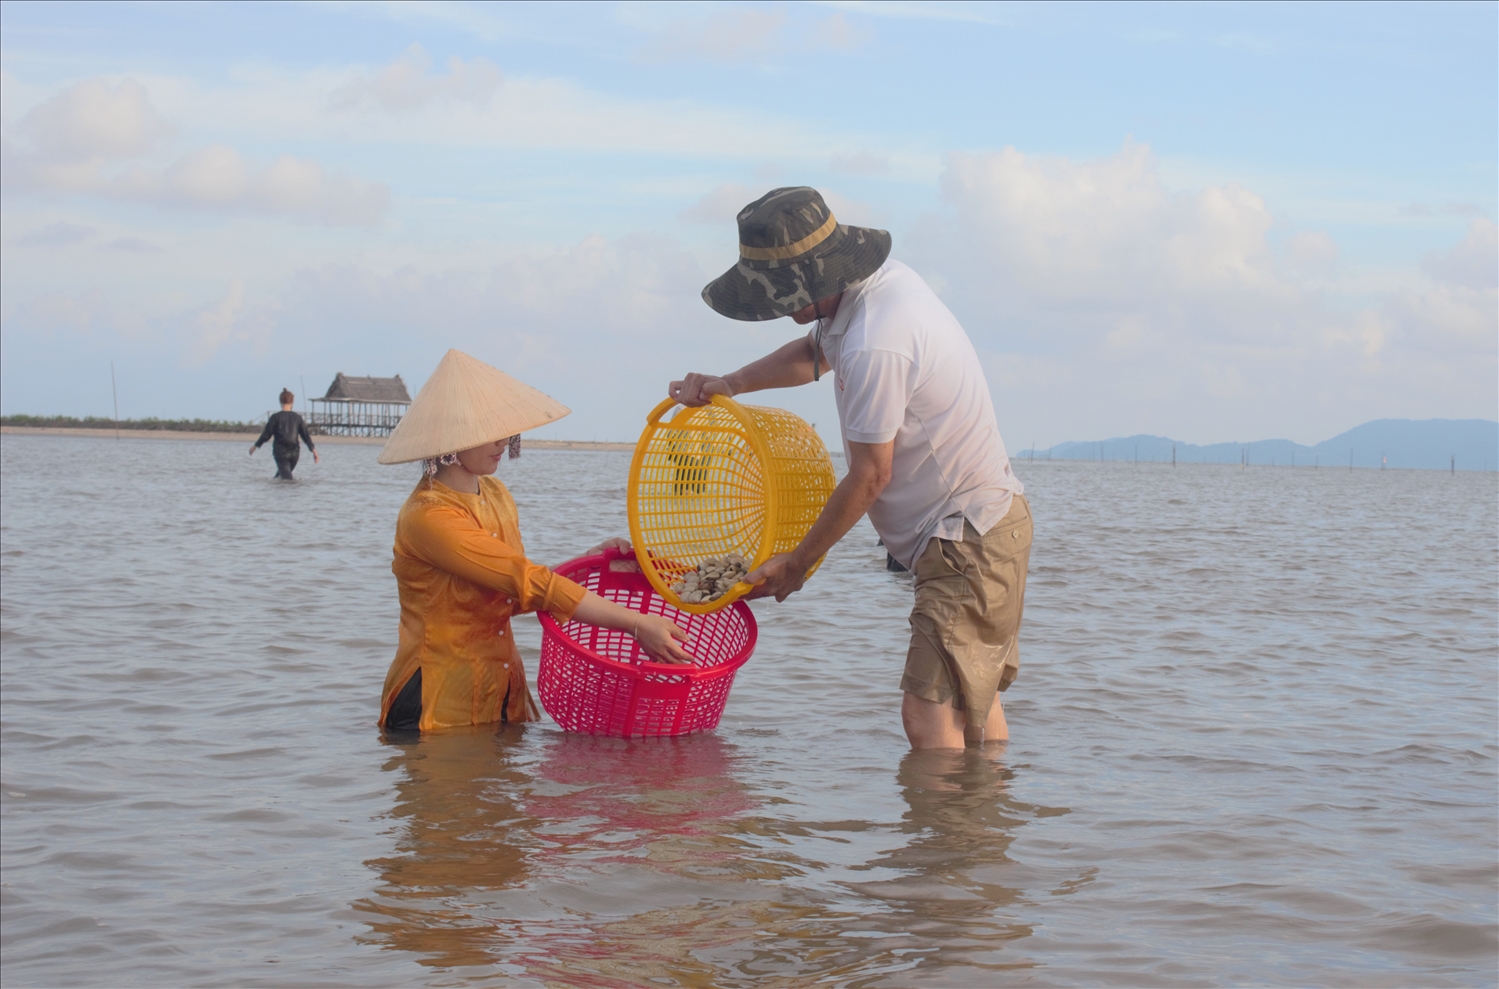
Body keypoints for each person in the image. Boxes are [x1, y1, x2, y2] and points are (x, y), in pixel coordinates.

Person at [670, 187, 1032, 751]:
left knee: (925, 715)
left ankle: (948, 839)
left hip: (967, 536)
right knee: (972, 706)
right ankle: (978, 828)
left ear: (818, 279)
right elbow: (813, 352)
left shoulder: (875, 340)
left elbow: (870, 477)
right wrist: (732, 383)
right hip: (976, 532)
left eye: (787, 295)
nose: (783, 309)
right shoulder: (870, 293)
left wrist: (796, 564)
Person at [376, 348, 692, 733]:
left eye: (505, 426)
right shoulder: (427, 517)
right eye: (487, 430)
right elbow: (525, 581)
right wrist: (637, 624)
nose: (502, 439)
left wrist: (586, 564)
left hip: (500, 690)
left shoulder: (495, 495)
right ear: (451, 438)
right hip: (436, 701)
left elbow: (509, 595)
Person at [250, 388, 319, 479]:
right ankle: (279, 488)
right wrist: (314, 451)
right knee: (284, 476)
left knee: (287, 478)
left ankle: (284, 491)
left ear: (280, 401)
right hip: (295, 453)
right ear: (292, 402)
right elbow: (306, 436)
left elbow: (266, 434)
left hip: (280, 452)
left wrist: (255, 446)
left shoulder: (275, 418)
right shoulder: (298, 418)